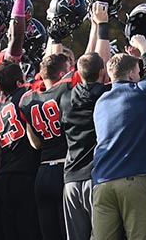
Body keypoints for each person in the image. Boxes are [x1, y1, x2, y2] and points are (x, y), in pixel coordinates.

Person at [92, 20, 146, 240]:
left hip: (102, 183)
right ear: (131, 74)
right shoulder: (137, 92)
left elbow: (121, 136)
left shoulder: (100, 102)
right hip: (132, 181)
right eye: (138, 73)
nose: (140, 76)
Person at [21, 53, 76, 240]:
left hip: (43, 171)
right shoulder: (64, 88)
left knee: (49, 233)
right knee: (68, 230)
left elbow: (35, 143)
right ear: (62, 72)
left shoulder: (28, 99)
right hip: (64, 168)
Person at [0, 62, 39, 240]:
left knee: (10, 231)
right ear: (18, 83)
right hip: (26, 174)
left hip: (5, 176)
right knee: (29, 229)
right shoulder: (25, 97)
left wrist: (0, 178)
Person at [61, 53, 110, 240]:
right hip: (96, 174)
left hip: (71, 176)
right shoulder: (105, 94)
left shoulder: (65, 97)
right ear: (101, 71)